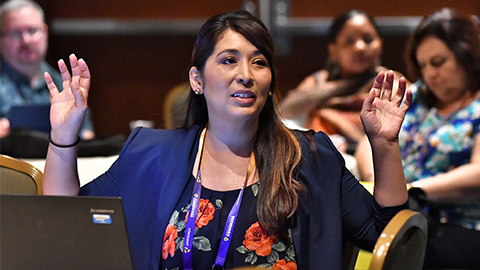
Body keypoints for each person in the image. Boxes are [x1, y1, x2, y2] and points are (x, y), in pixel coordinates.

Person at [42, 10, 412, 270]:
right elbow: (67, 221)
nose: (245, 75)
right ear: (196, 80)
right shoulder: (150, 154)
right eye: (228, 60)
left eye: (259, 62)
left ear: (270, 82)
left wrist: (384, 145)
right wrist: (63, 136)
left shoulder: (310, 157)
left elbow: (386, 235)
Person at [355, 8, 480, 269]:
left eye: (437, 62)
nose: (429, 74)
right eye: (422, 65)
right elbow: (370, 139)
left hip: (455, 223)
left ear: (467, 55)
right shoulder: (417, 94)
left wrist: (415, 191)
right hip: (398, 211)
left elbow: (478, 174)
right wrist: (377, 183)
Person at [278, 9, 407, 153]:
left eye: (368, 39)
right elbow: (284, 111)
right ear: (333, 50)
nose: (360, 47)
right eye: (349, 41)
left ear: (380, 44)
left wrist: (331, 116)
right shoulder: (320, 81)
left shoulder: (389, 83)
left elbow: (393, 135)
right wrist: (344, 85)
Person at [0, 0, 95, 140]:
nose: (26, 40)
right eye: (15, 33)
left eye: (32, 31)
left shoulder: (64, 84)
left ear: (45, 32)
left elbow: (87, 134)